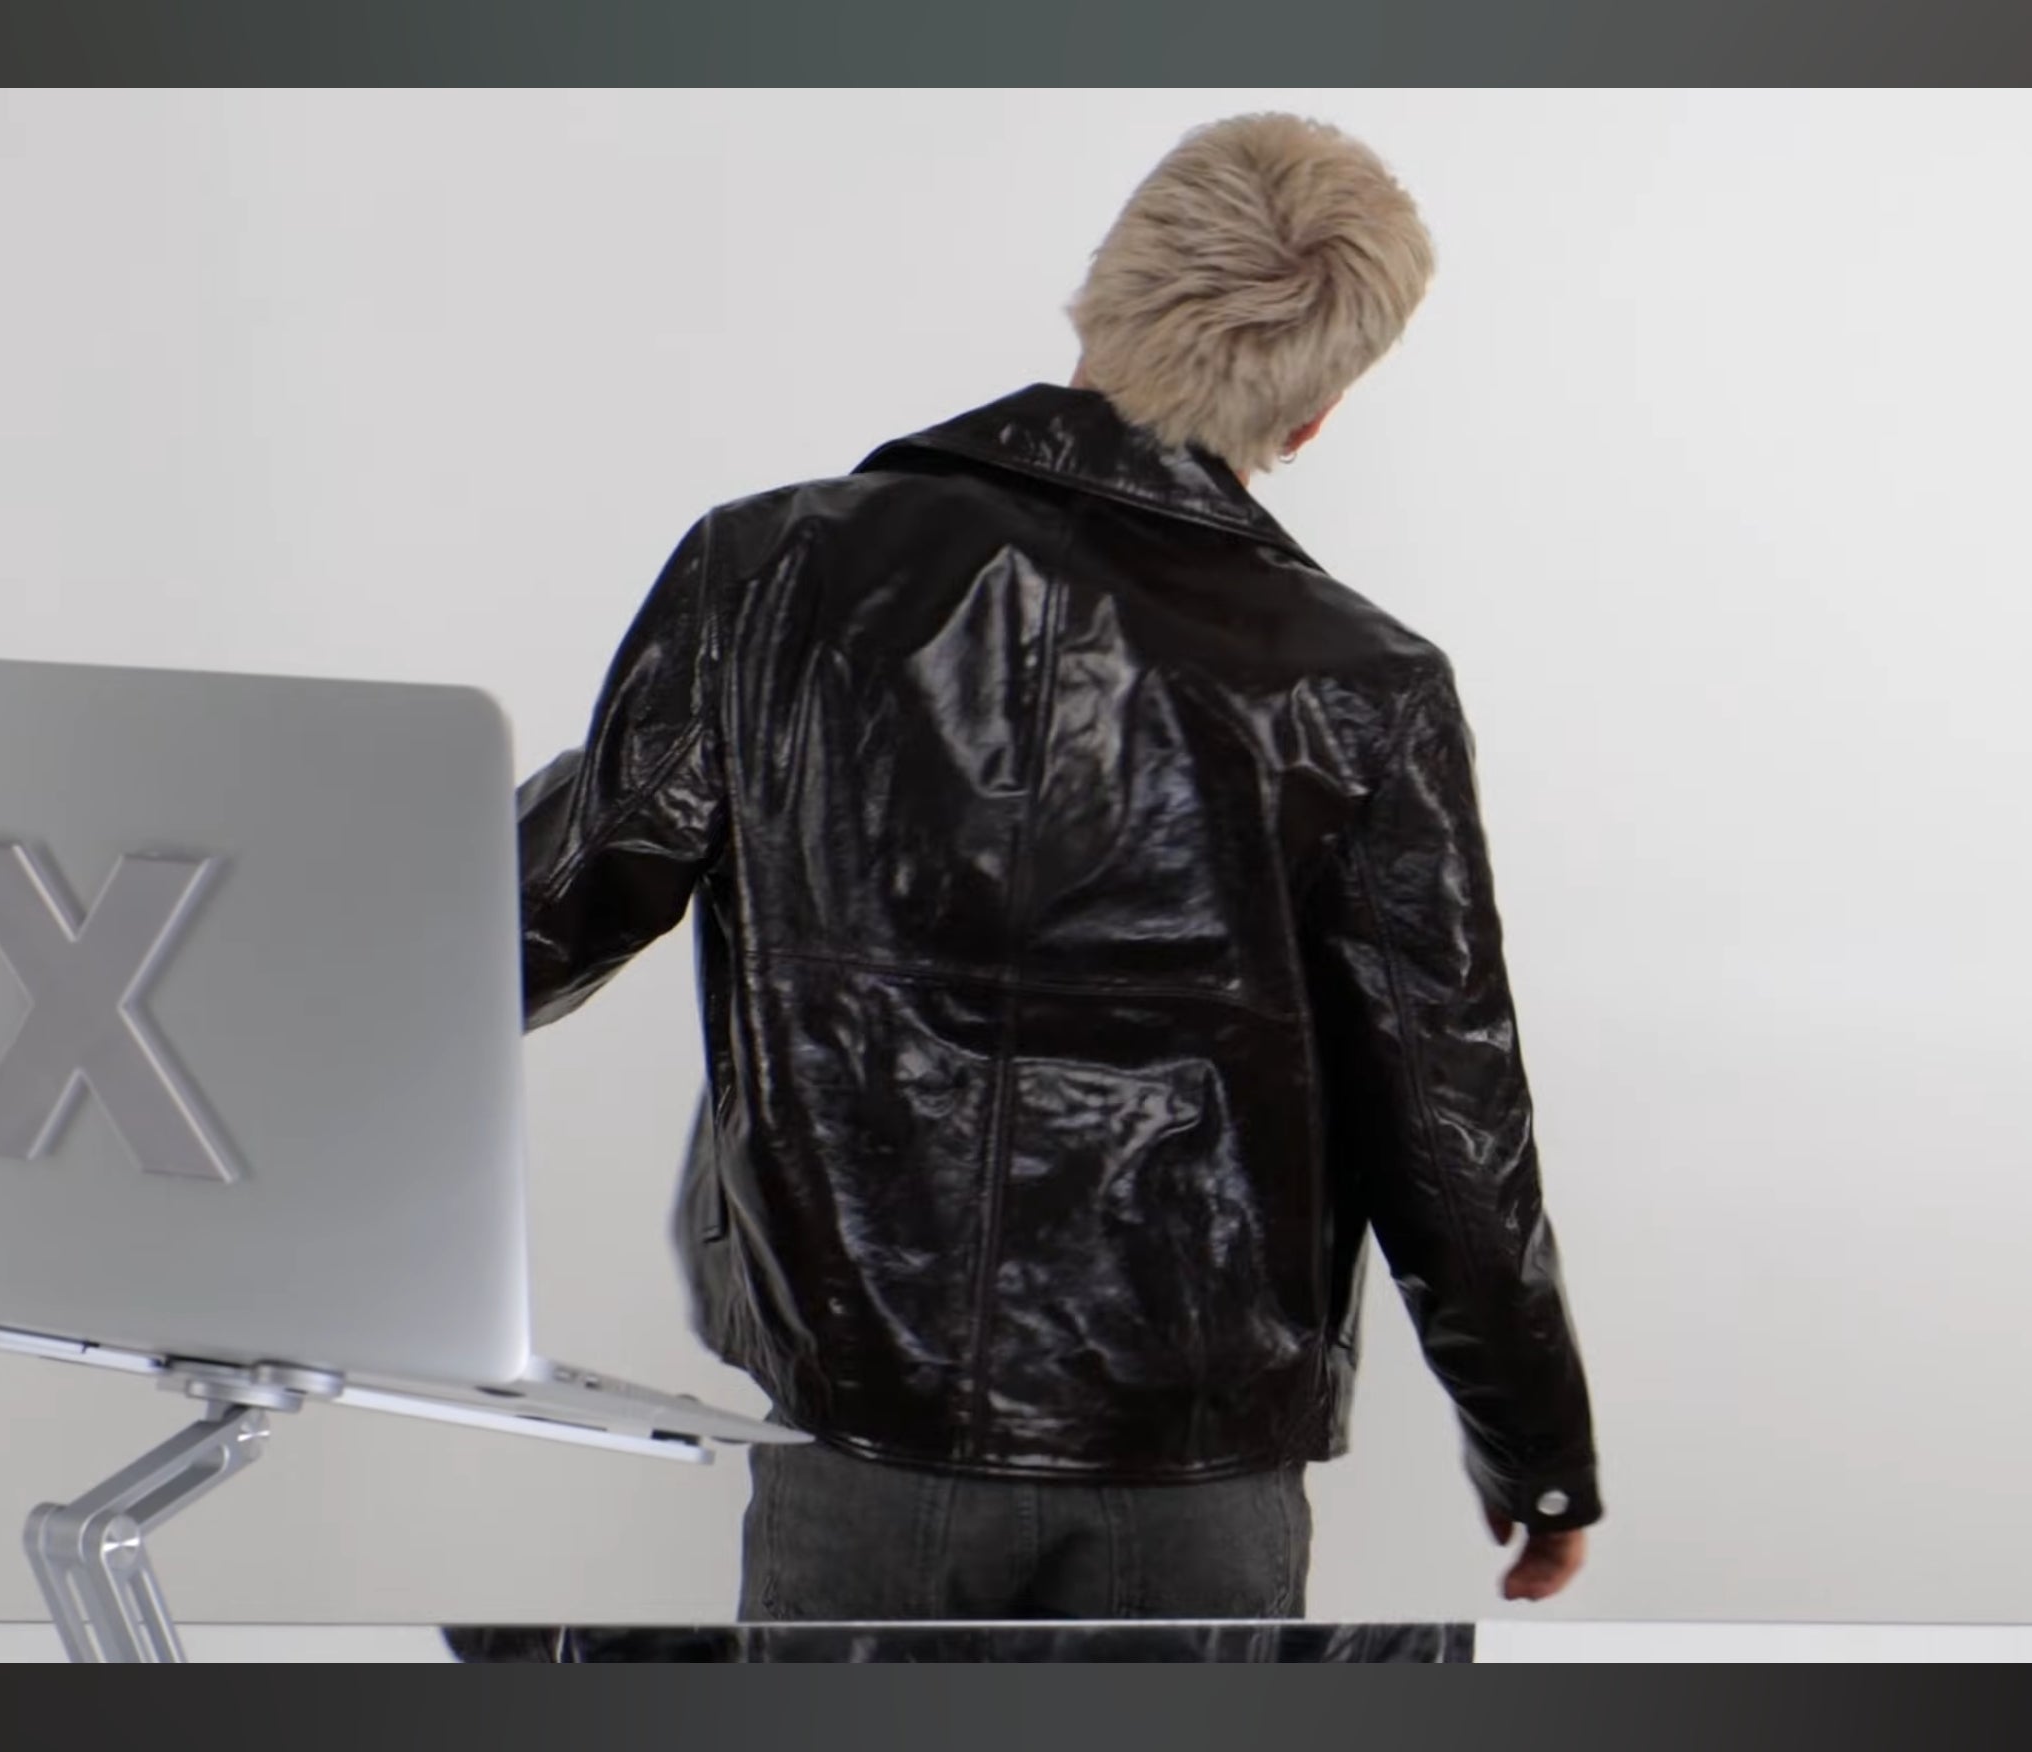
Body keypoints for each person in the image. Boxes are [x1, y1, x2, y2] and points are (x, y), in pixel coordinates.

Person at [515, 112, 1601, 1622]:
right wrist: (1536, 1458)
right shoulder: (1366, 686)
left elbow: (545, 911)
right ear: (1318, 410)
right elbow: (1449, 1115)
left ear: (1100, 296)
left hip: (864, 1409)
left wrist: (244, 1035)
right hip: (1192, 1453)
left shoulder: (773, 570)